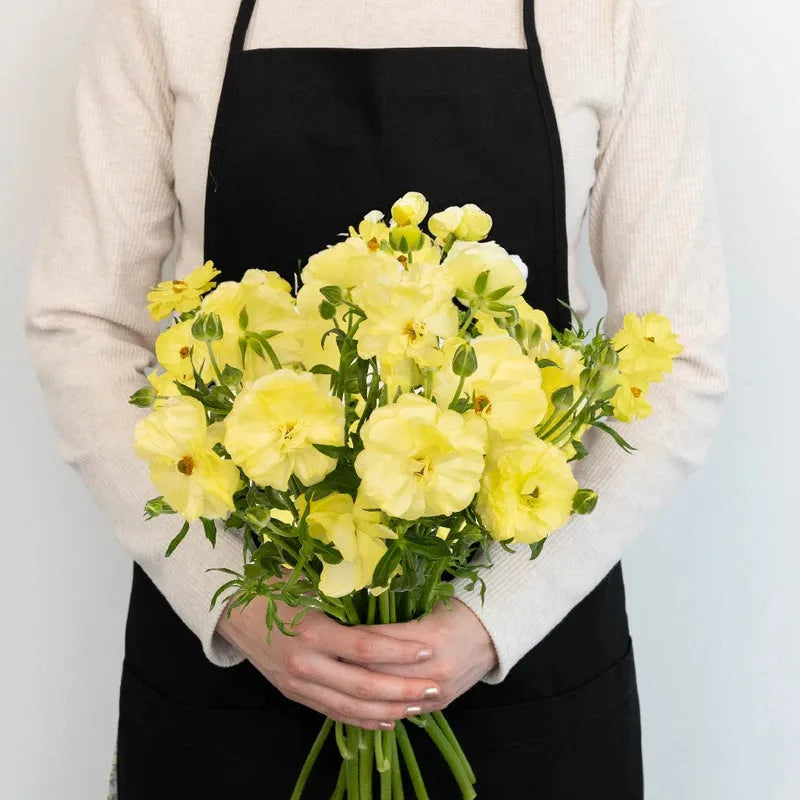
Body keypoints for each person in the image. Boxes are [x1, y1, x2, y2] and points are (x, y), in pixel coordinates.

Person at [25, 0, 729, 797]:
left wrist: (494, 620)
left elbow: (680, 359)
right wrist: (241, 606)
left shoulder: (604, 15)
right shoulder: (165, 12)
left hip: (527, 666)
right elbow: (82, 323)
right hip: (236, 668)